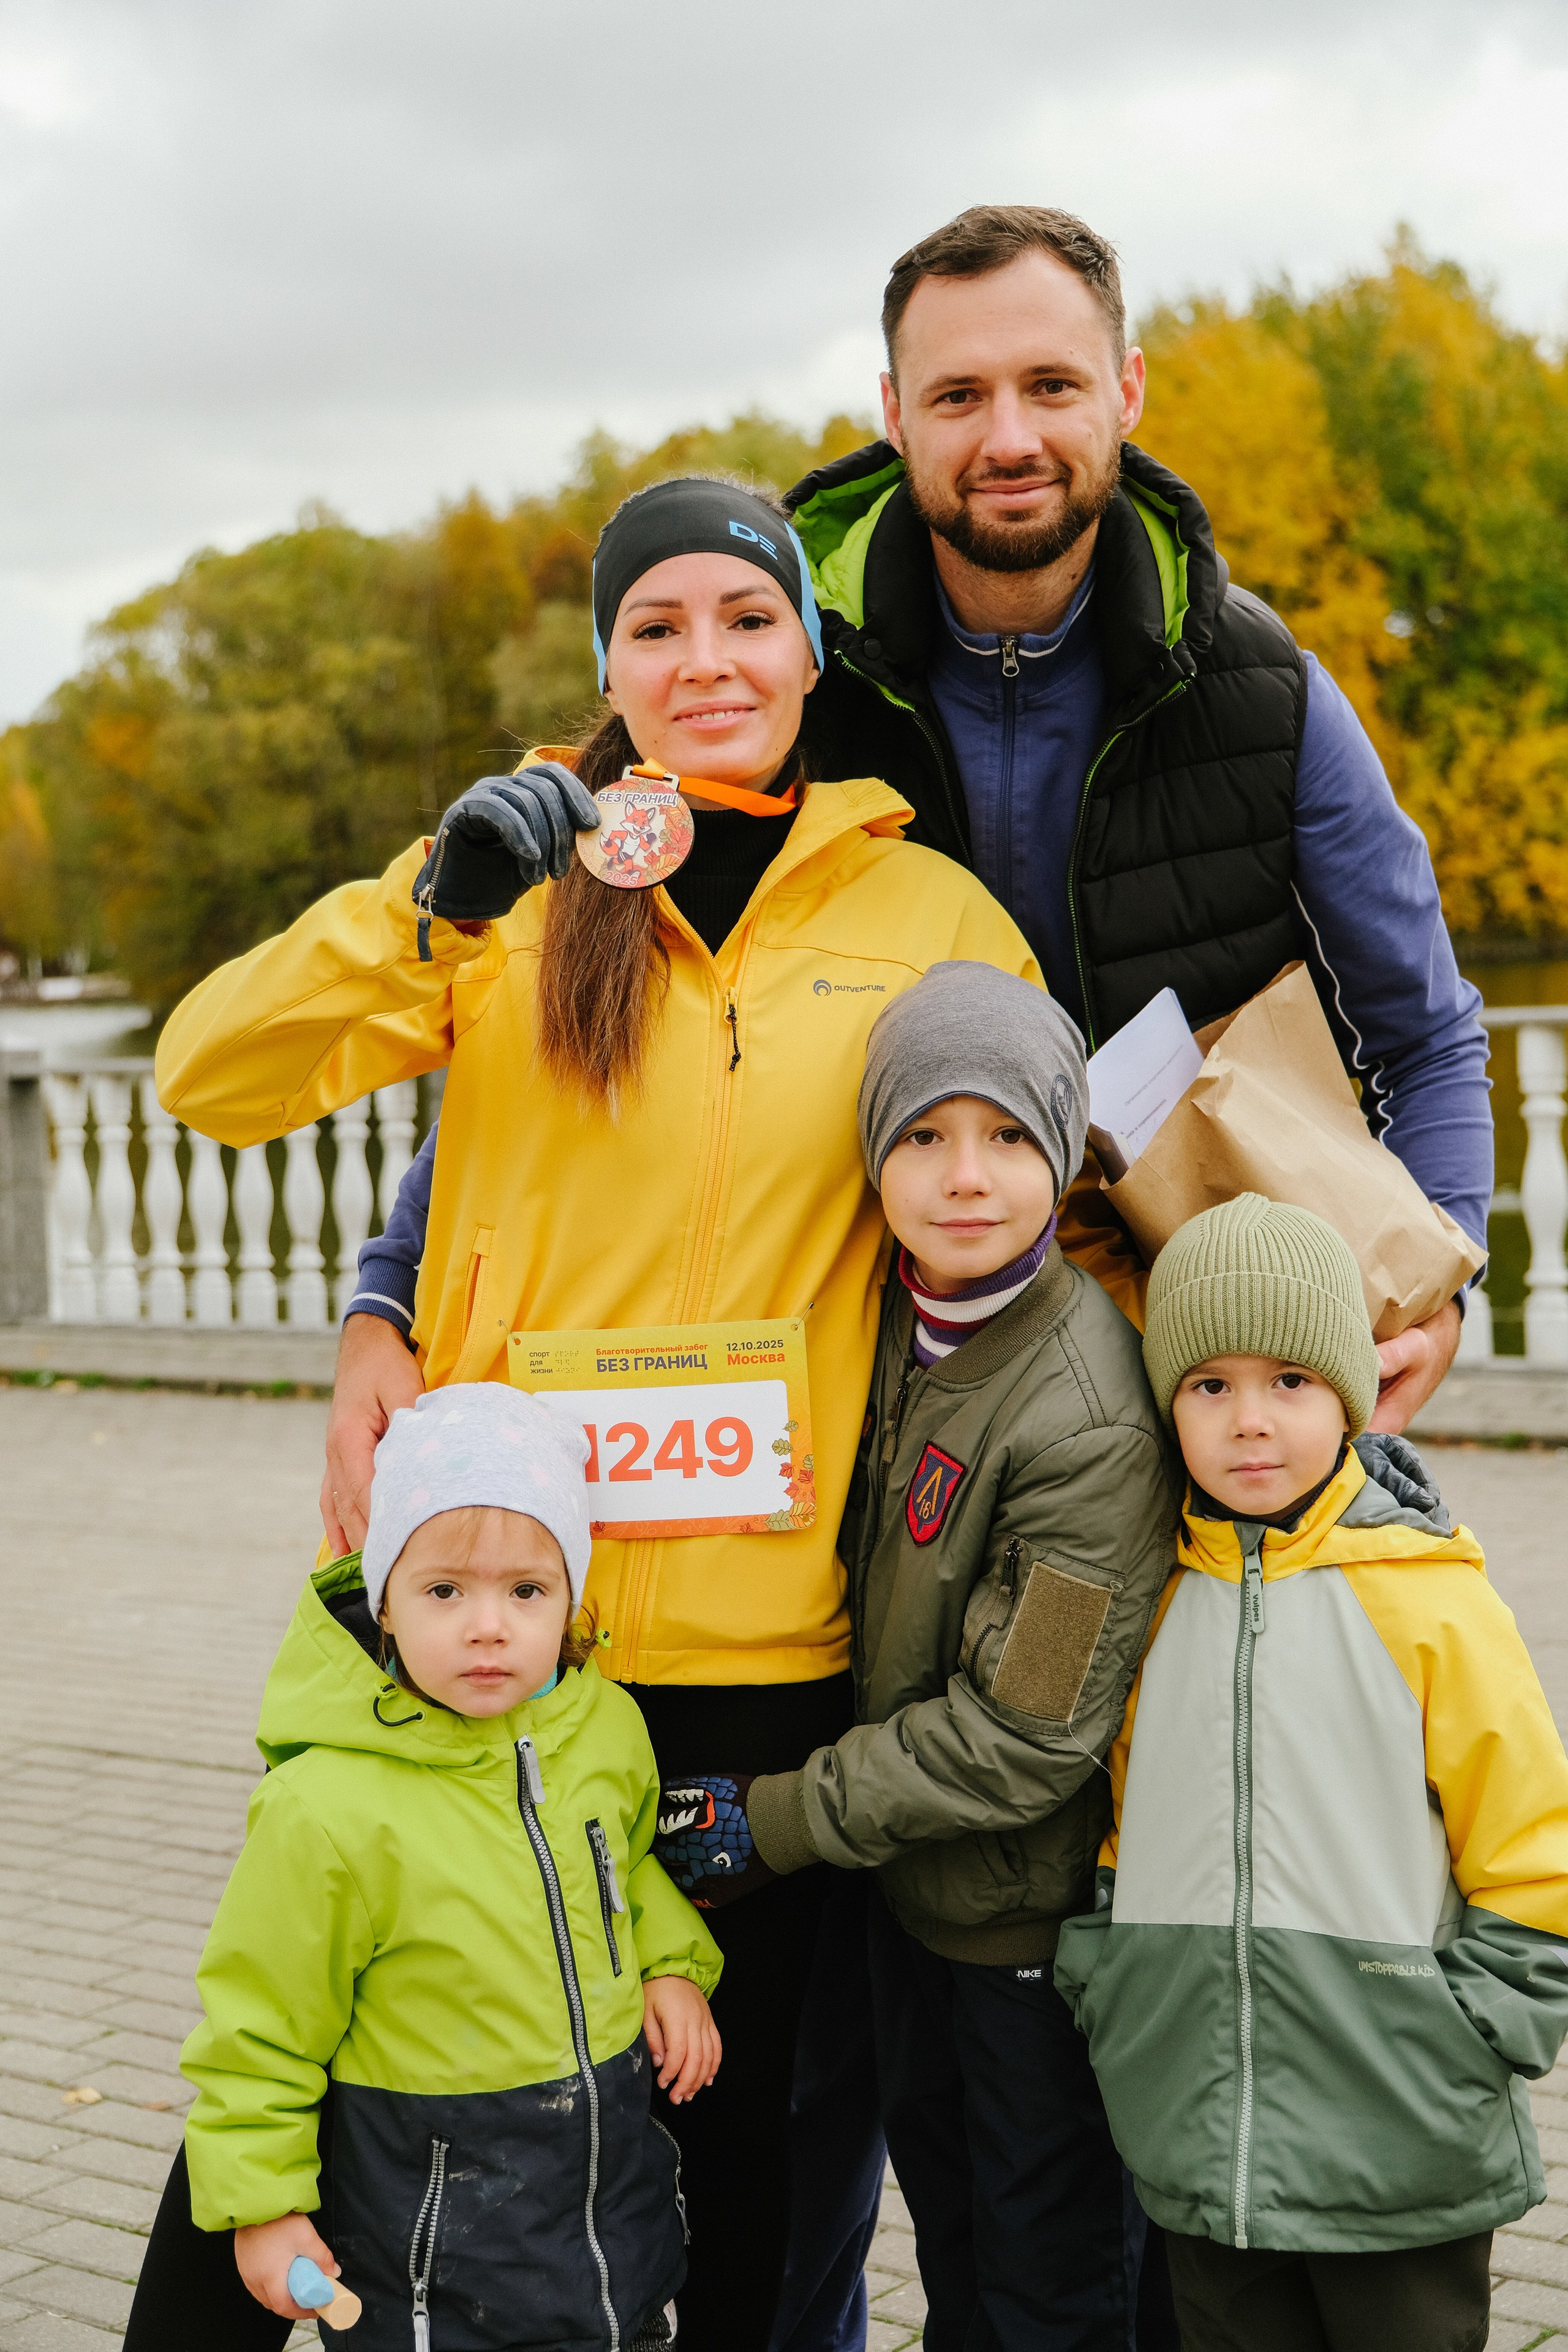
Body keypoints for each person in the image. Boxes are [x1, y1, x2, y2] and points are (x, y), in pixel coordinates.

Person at [149, 474, 1044, 2351]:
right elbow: (207, 1079)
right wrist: (421, 907)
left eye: (745, 616)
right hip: (482, 1620)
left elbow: (1048, 1192)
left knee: (759, 2188)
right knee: (342, 2113)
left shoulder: (929, 908)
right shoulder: (511, 886)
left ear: (811, 648)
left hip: (762, 1656)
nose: (705, 657)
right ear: (607, 667)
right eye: (657, 626)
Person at [654, 960, 1180, 2350]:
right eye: (924, 1135)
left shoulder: (1085, 1414)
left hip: (1026, 1939)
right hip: (913, 1905)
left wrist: (768, 1821)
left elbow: (1024, 1733)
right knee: (952, 2261)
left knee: (1045, 2292)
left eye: (1009, 1135)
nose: (967, 1176)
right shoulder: (874, 1326)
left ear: (1062, 1148)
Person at [1055, 1195, 1568, 2352]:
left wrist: (1476, 2027)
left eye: (1290, 1382)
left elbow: (1533, 1835)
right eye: (1209, 1385)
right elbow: (1125, 1823)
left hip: (1401, 2125)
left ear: (1348, 1390)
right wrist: (1110, 1974)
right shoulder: (1157, 1594)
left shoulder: (1427, 1593)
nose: (1250, 1422)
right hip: (1200, 2127)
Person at [138, 1382, 721, 2351]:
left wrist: (671, 1964)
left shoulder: (604, 1730)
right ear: (385, 1600)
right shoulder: (327, 1809)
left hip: (597, 2210)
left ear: (571, 1596)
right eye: (445, 1590)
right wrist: (263, 2203)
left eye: (526, 1591)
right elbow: (259, 2029)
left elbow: (626, 1865)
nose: (488, 1626)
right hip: (427, 2229)